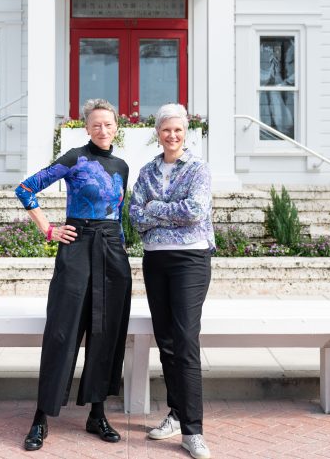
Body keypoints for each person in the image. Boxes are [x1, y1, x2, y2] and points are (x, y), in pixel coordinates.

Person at [15, 98, 131, 452]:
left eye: (108, 124)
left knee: (106, 332)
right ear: (86, 127)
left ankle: (97, 413)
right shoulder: (74, 158)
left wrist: (122, 252)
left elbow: (118, 214)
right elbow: (25, 188)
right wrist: (49, 229)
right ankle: (40, 417)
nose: (102, 130)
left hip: (113, 252)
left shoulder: (123, 165)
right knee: (62, 331)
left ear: (116, 127)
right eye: (96, 124)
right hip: (77, 248)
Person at [129, 103, 214, 459]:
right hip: (155, 260)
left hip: (190, 260)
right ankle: (177, 414)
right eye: (166, 130)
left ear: (185, 132)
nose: (172, 135)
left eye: (178, 130)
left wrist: (154, 210)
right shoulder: (147, 170)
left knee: (185, 340)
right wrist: (157, 212)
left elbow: (194, 211)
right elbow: (133, 215)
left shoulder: (198, 168)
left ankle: (193, 430)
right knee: (166, 340)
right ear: (158, 133)